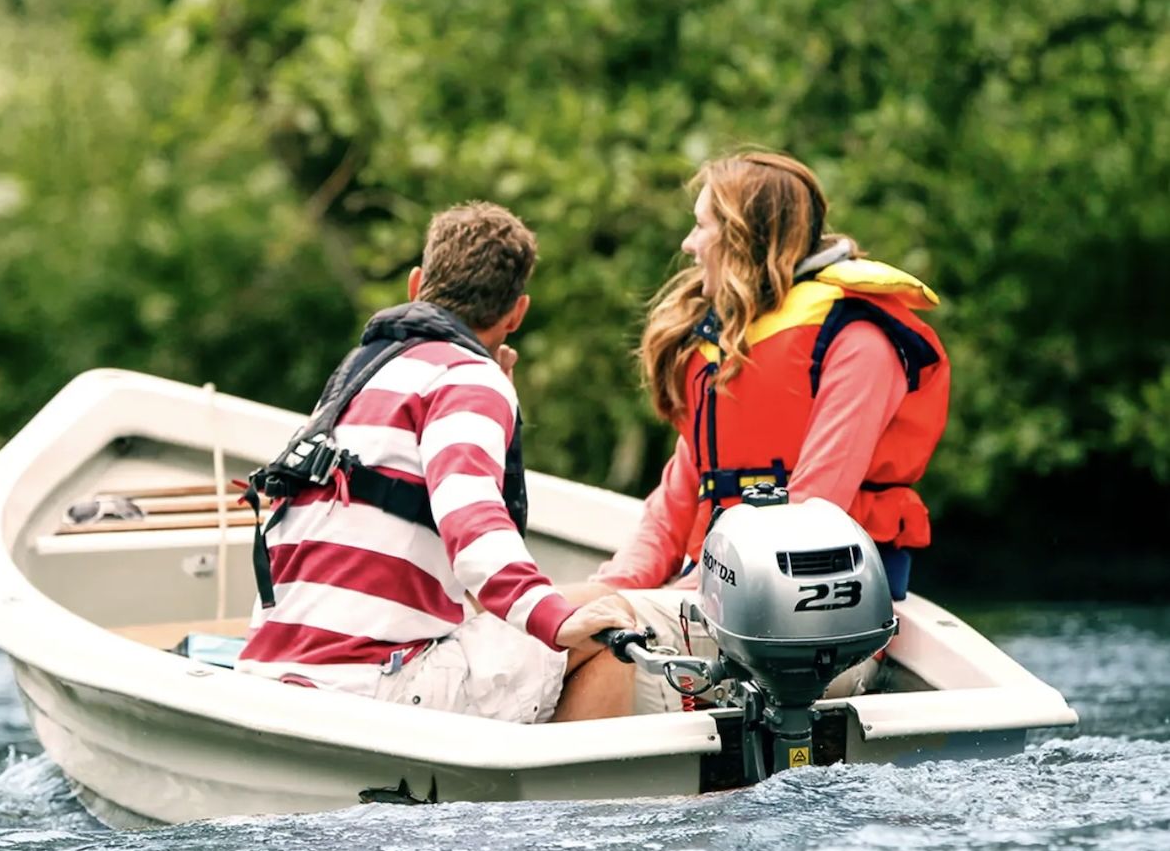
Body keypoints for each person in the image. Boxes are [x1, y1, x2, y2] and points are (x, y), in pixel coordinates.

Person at [236, 201, 636, 722]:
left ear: (416, 283)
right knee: (611, 620)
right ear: (517, 314)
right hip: (372, 686)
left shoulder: (362, 376)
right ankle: (576, 805)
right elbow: (472, 522)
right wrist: (554, 620)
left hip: (270, 671)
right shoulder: (469, 379)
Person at [580, 150, 951, 710]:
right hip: (713, 604)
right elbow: (674, 501)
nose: (688, 243)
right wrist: (614, 586)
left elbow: (809, 515)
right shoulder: (729, 343)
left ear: (742, 237)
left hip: (810, 629)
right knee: (560, 617)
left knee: (583, 635)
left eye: (701, 225)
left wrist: (671, 601)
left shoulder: (858, 344)